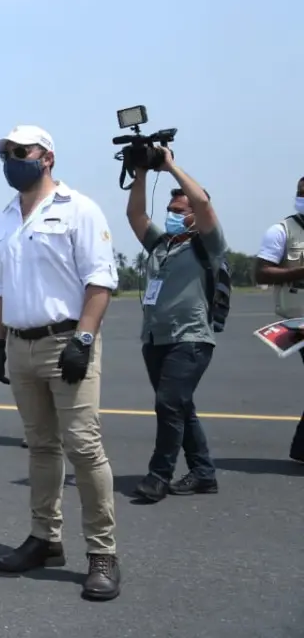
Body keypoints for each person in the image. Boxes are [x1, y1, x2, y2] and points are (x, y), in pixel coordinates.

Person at [0, 125, 121, 601]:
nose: (11, 161)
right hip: (21, 346)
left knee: (83, 448)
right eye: (5, 154)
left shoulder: (78, 209)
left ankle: (102, 553)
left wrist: (83, 338)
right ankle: (45, 538)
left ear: (47, 158)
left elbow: (100, 280)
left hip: (66, 341)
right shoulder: (4, 218)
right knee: (40, 447)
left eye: (20, 152)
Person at [125, 150, 226, 501]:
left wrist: (168, 166)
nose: (171, 216)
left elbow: (204, 204)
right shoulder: (160, 244)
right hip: (155, 338)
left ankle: (158, 476)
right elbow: (135, 214)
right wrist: (139, 172)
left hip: (191, 338)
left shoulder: (208, 244)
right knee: (180, 406)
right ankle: (203, 473)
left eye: (180, 212)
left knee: (169, 404)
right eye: (169, 211)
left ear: (196, 217)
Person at [253, 175, 304, 462]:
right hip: (298, 319)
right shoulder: (281, 231)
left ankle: (301, 447)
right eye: (300, 192)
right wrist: (299, 272)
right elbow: (261, 273)